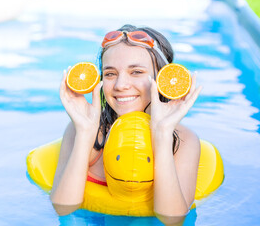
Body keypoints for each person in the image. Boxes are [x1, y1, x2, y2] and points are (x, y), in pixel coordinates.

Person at [50, 24, 202, 225]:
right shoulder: (83, 128)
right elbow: (63, 209)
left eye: (136, 72)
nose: (121, 85)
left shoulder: (184, 141)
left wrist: (162, 134)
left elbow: (172, 219)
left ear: (163, 77)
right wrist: (85, 133)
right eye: (110, 73)